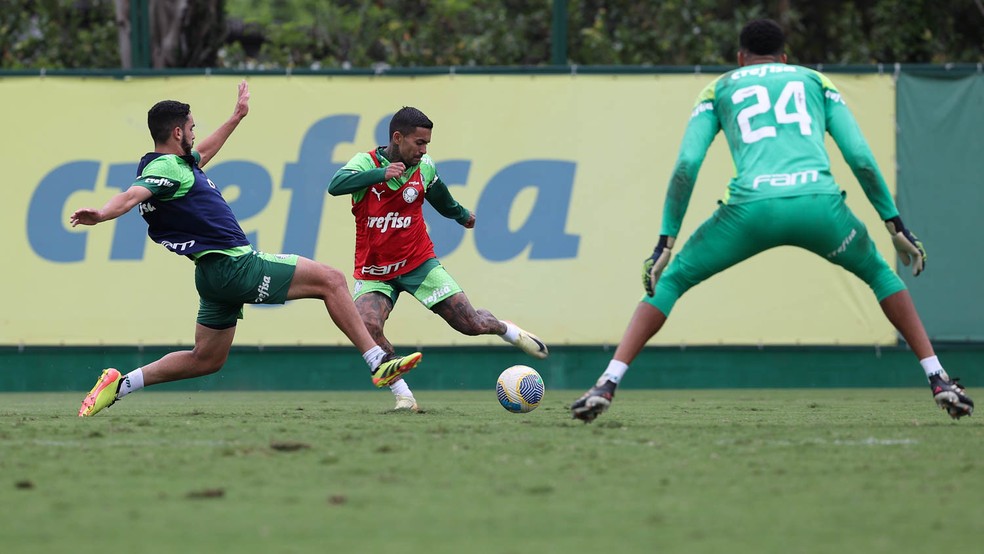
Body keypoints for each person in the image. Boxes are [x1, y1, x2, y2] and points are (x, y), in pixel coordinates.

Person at [570, 19, 973, 423]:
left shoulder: (720, 87)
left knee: (671, 281)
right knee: (882, 275)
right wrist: (895, 225)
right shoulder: (815, 81)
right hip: (819, 208)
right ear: (785, 57)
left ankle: (607, 382)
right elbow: (862, 159)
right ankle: (938, 379)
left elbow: (686, 166)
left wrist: (665, 242)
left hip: (749, 212)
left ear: (740, 58)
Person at [72, 81, 422, 417]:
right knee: (330, 279)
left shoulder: (181, 165)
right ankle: (377, 361)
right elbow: (132, 195)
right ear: (178, 132)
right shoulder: (165, 167)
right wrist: (102, 213)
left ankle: (118, 386)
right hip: (234, 266)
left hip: (211, 275)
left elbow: (204, 151)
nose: (195, 134)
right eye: (192, 127)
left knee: (206, 359)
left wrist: (236, 116)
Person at [328, 106, 548, 411]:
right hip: (375, 270)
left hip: (418, 263)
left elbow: (440, 196)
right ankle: (404, 396)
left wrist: (461, 215)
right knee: (366, 325)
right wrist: (380, 173)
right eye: (419, 143)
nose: (424, 150)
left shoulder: (424, 167)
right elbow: (335, 185)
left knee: (470, 324)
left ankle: (505, 329)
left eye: (427, 143)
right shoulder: (366, 162)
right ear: (397, 137)